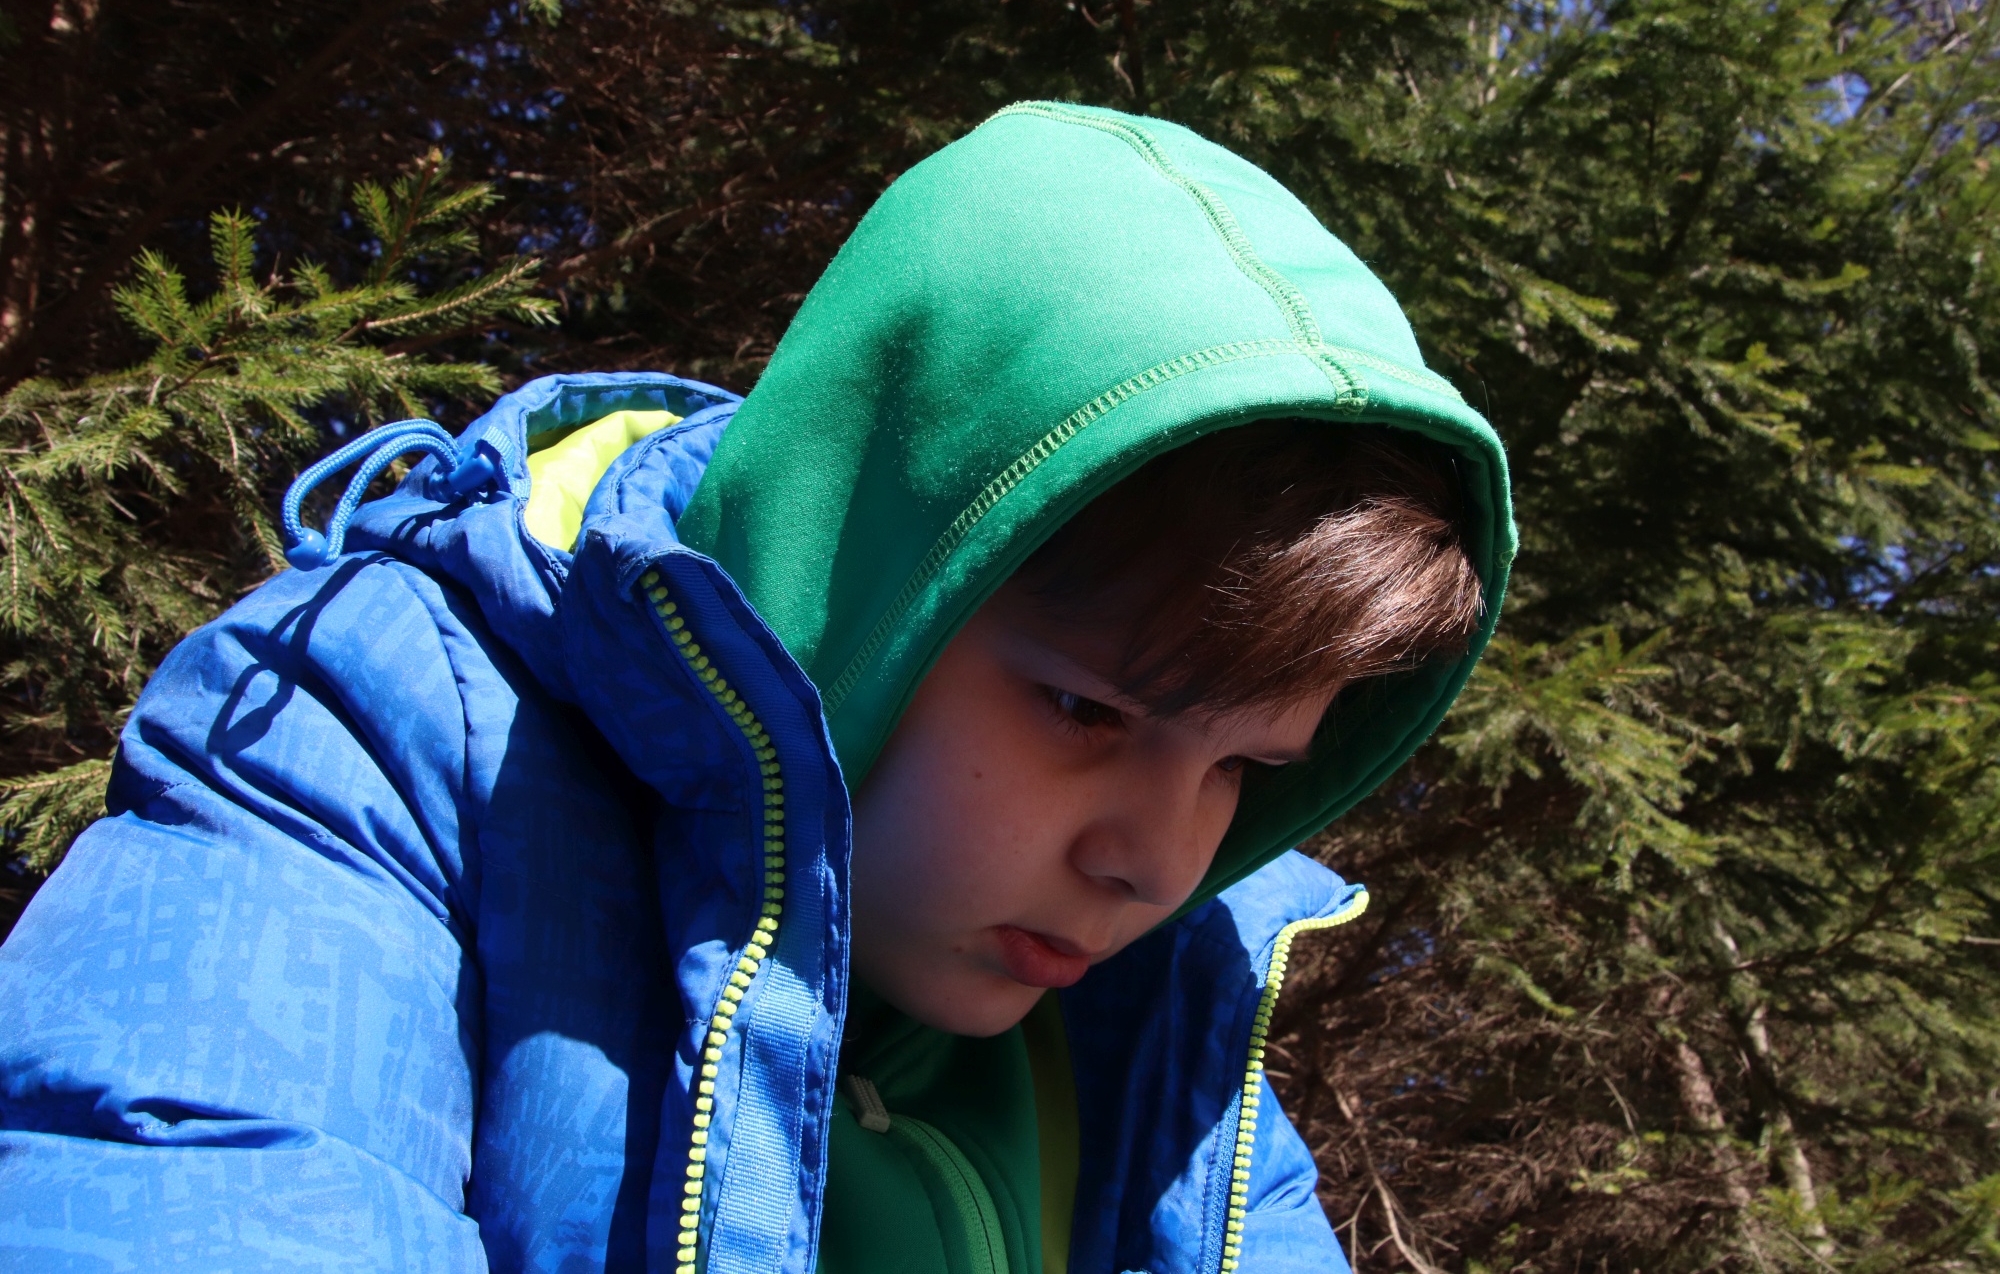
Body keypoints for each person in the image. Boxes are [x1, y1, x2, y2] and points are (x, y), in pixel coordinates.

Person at [0, 102, 1514, 1273]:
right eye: (1088, 712)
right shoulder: (376, 742)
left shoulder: (1166, 1015)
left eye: (1243, 767)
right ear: (866, 588)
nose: (1158, 862)